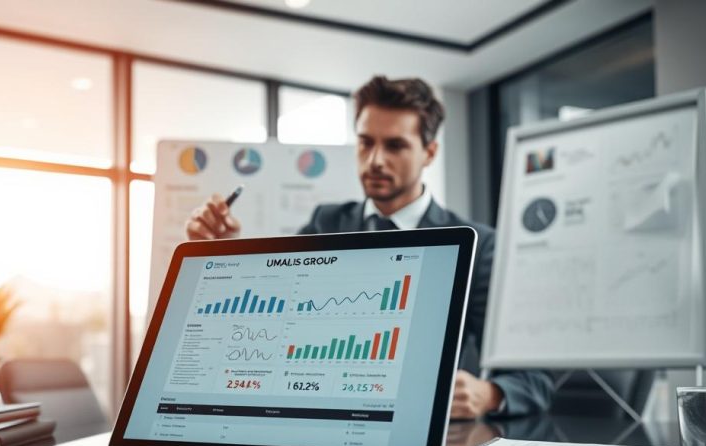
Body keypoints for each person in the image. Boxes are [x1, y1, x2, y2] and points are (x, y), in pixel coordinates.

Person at [185, 75, 554, 419]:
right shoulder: (325, 225)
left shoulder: (479, 245)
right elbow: (270, 318)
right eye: (366, 143)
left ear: (429, 153)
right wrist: (226, 254)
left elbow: (533, 379)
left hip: (415, 426)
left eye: (395, 145)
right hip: (321, 416)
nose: (376, 160)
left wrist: (489, 394)